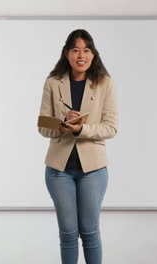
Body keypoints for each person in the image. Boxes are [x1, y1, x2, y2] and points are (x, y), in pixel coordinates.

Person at [37, 29, 118, 264]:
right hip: (59, 170)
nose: (80, 55)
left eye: (86, 50)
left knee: (90, 232)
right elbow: (43, 125)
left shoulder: (104, 83)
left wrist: (81, 129)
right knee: (68, 233)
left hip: (93, 170)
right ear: (67, 54)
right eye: (75, 50)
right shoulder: (53, 83)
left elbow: (110, 128)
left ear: (93, 54)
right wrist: (63, 124)